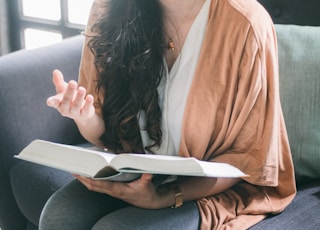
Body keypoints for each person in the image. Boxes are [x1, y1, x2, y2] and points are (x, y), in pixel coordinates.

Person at [39, 0, 296, 229]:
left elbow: (246, 159)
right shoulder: (108, 8)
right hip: (134, 171)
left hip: (212, 186)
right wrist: (83, 116)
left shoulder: (246, 24)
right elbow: (106, 134)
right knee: (58, 217)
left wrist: (165, 197)